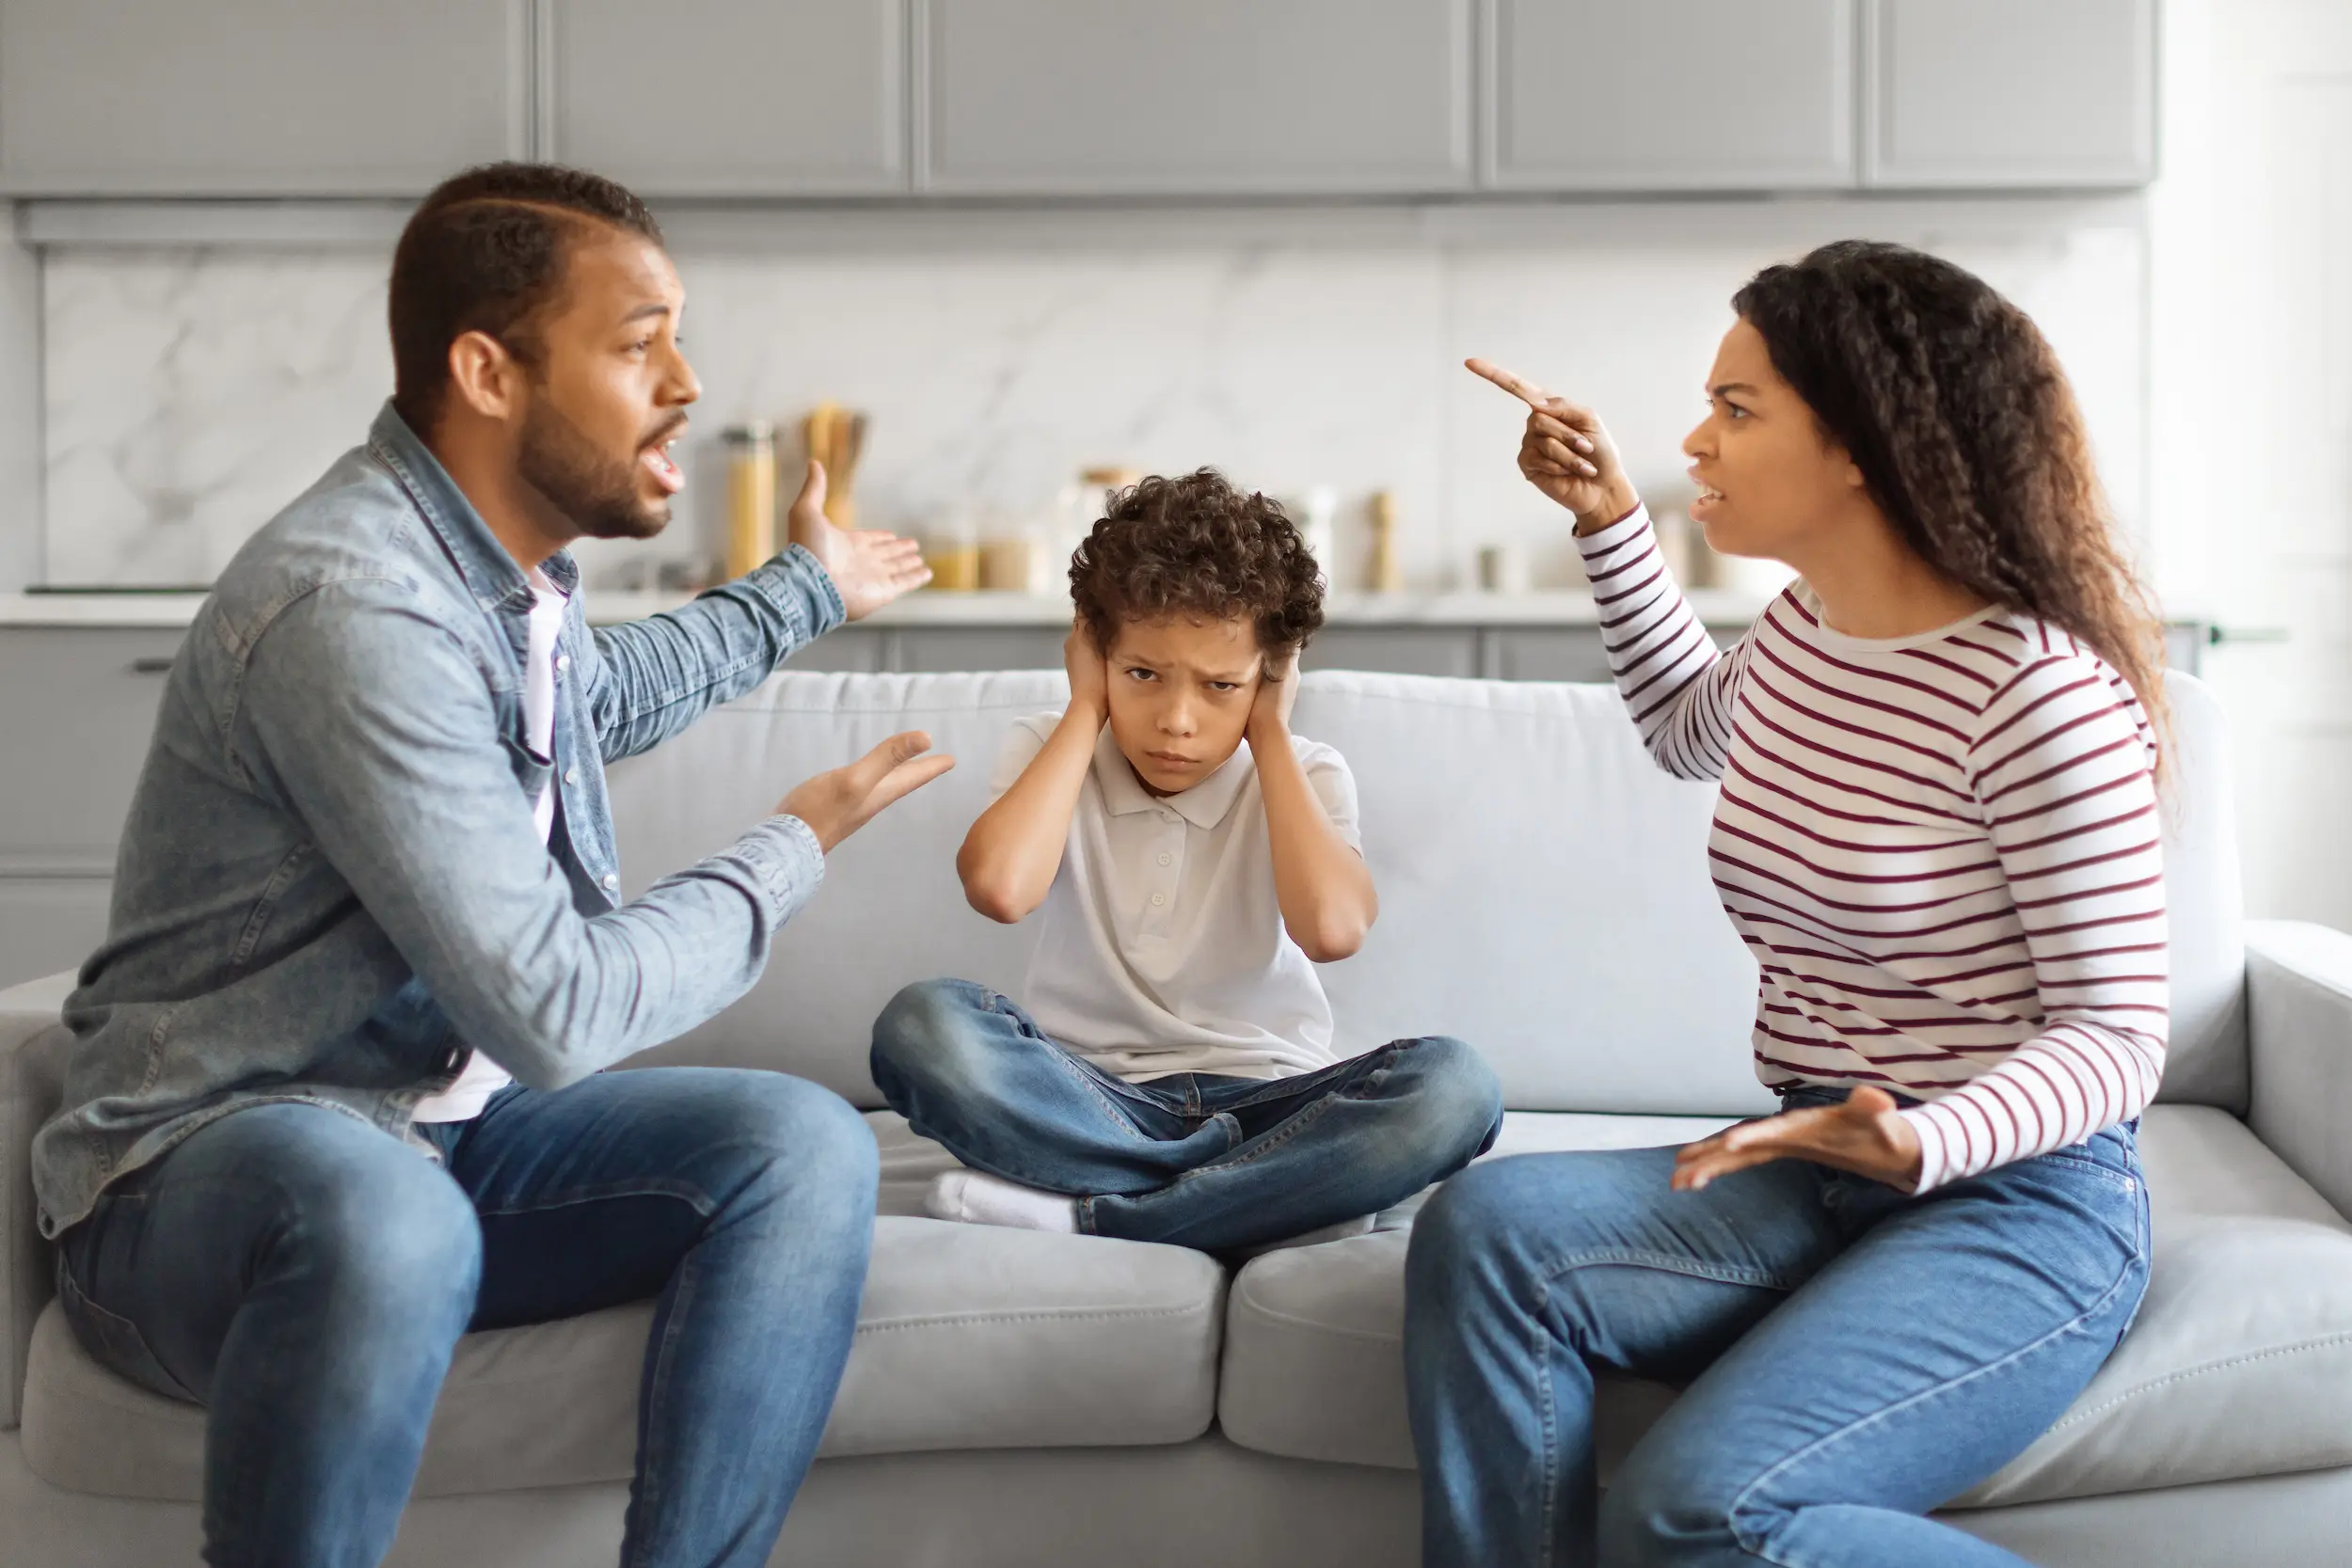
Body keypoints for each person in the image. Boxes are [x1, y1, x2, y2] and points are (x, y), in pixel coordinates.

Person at [32, 163, 951, 1568]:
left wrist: (805, 590)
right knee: (384, 1205)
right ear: (488, 370)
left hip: (439, 1136)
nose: (688, 383)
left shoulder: (492, 580)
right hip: (202, 1176)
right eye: (640, 343)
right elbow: (558, 1008)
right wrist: (793, 843)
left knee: (798, 1143)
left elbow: (598, 692)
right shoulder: (356, 602)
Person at [1406, 240, 2167, 1567]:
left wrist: (1925, 1142)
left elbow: (2120, 1035)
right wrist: (1606, 523)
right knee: (1487, 1231)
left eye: (1738, 410)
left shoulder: (2040, 697)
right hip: (1813, 1168)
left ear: (1864, 441)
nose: (1695, 440)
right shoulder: (1808, 624)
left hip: (2015, 1203)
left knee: (1695, 1512)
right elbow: (1692, 728)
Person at [869, 469, 1503, 1253]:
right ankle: (1272, 1196)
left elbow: (1333, 930)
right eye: (1142, 674)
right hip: (1089, 1094)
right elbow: (1000, 888)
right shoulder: (1049, 747)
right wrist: (1082, 710)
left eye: (1220, 685)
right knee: (922, 1026)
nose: (1175, 720)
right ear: (1095, 651)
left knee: (1455, 1088)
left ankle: (1099, 1210)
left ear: (1268, 677)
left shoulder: (1306, 770)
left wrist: (1269, 732)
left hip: (1273, 1099)